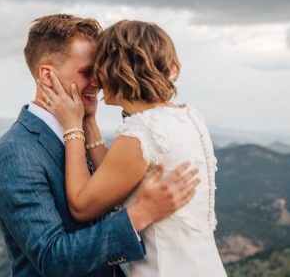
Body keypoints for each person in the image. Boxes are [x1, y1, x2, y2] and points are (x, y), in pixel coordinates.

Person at [0, 14, 200, 277]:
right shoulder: (16, 153)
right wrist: (140, 214)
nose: (99, 82)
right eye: (88, 72)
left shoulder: (84, 132)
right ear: (47, 76)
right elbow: (53, 258)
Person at [38, 20, 227, 276]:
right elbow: (117, 181)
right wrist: (90, 121)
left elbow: (82, 205)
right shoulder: (187, 117)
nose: (95, 82)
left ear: (114, 70)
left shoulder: (141, 133)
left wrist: (74, 127)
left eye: (98, 68)